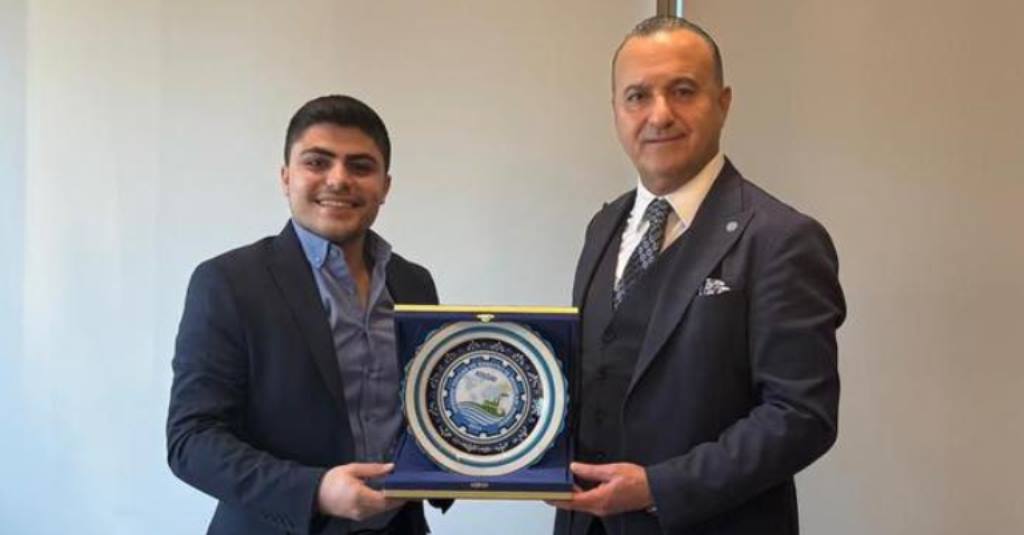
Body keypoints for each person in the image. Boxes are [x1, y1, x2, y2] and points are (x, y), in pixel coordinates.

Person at [552, 17, 846, 535]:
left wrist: (659, 488)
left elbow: (801, 416)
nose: (659, 114)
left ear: (723, 103)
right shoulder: (602, 226)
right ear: (616, 110)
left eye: (683, 91)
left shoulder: (781, 239)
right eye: (637, 96)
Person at [167, 95, 444, 534]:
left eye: (360, 166)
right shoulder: (227, 282)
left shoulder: (414, 284)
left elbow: (435, 409)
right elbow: (192, 440)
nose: (339, 179)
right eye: (317, 162)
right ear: (286, 177)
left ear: (385, 186)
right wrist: (315, 490)